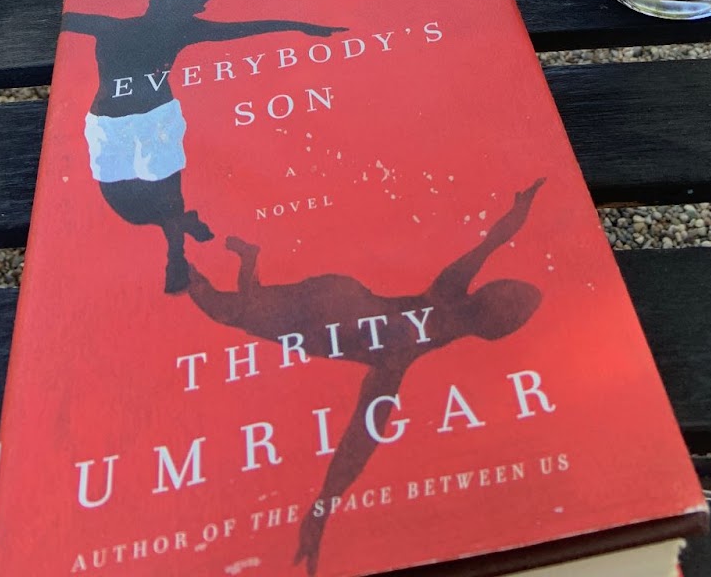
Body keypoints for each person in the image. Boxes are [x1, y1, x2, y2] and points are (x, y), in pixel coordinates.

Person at [187, 179, 545, 574]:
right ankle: (183, 255)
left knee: (238, 308)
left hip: (338, 299)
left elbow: (491, 243)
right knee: (225, 309)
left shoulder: (445, 295)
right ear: (494, 331)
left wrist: (518, 210)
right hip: (325, 322)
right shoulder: (408, 345)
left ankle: (234, 261)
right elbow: (359, 441)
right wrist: (321, 509)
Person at [64, 0, 341, 295]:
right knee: (121, 199)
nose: (198, 8)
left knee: (167, 191)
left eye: (198, 3)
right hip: (109, 125)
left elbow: (246, 28)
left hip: (158, 120)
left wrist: (302, 26)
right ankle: (180, 222)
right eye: (192, 2)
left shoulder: (183, 28)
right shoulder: (111, 27)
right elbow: (67, 18)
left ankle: (176, 255)